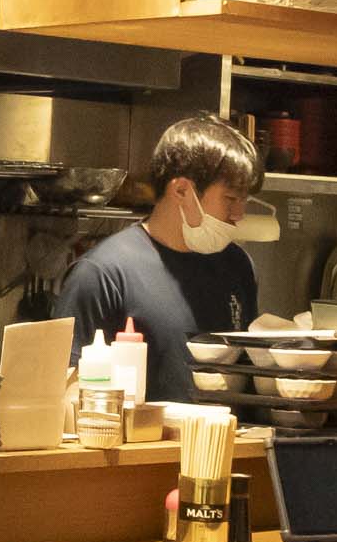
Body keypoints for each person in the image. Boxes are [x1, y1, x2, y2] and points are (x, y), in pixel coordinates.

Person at [63, 115, 264, 401]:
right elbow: (69, 396)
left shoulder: (238, 265)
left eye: (244, 200)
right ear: (181, 190)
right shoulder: (102, 274)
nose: (239, 215)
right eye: (231, 199)